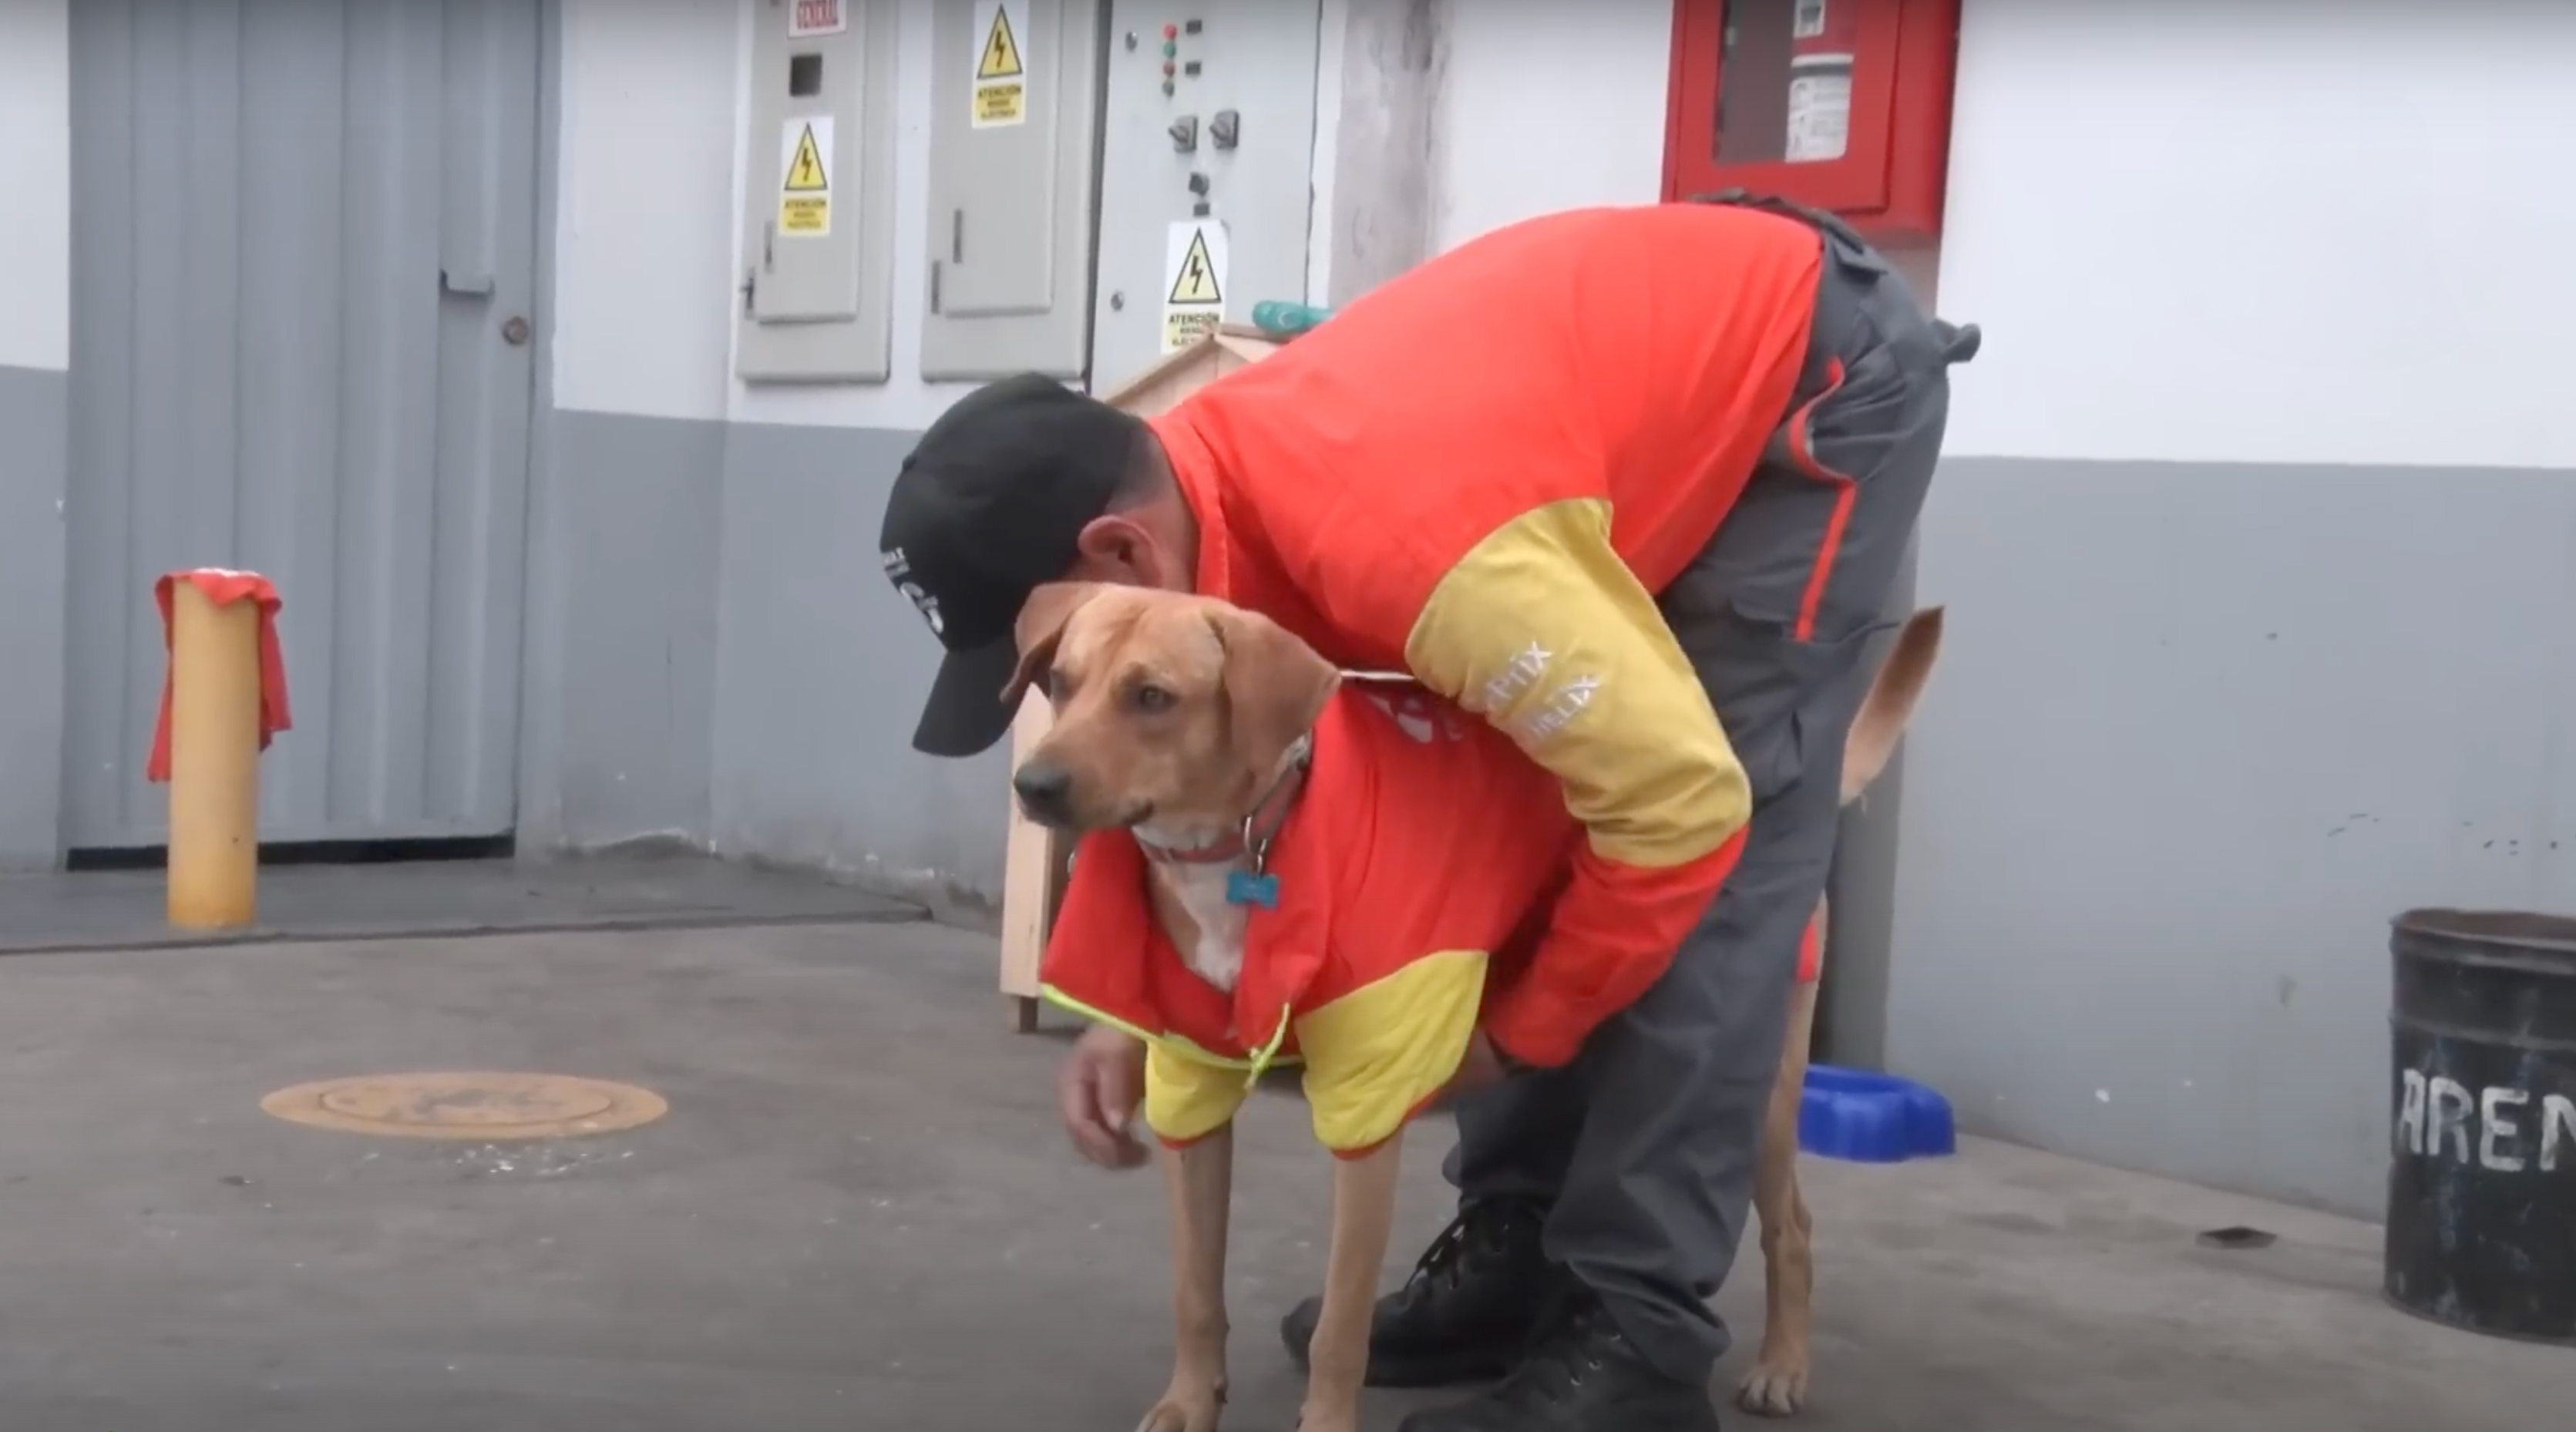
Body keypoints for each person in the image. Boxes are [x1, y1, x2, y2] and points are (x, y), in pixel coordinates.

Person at [878, 193, 1977, 1432]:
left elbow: (1679, 807)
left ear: (1120, 551)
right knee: (1511, 787)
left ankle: (1635, 1333)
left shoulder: (1409, 548)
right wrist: (1145, 1003)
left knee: (1715, 825)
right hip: (1609, 414)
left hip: (1816, 384)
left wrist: (1516, 1029)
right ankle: (1517, 1242)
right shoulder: (1206, 514)